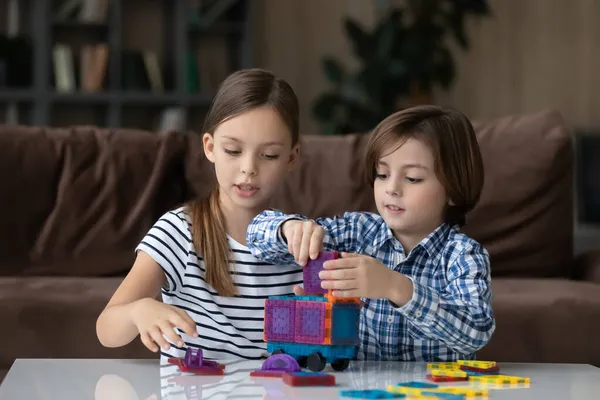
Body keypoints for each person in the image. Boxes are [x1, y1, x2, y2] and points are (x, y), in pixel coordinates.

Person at [246, 105, 495, 361]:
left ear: (453, 190)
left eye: (412, 178)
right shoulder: (358, 233)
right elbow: (255, 234)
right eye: (383, 174)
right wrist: (290, 229)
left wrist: (395, 287)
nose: (392, 189)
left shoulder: (463, 255)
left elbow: (475, 332)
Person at [96, 68, 303, 361]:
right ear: (210, 147)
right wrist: (137, 311)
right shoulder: (178, 232)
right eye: (232, 150)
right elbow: (107, 329)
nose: (249, 168)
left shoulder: (297, 240)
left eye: (268, 155)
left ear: (291, 157)